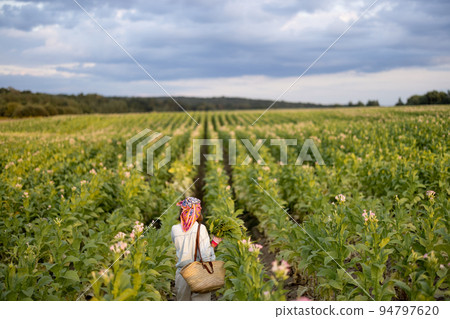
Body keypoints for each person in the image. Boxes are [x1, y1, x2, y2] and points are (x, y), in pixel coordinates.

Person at [171, 197, 222, 301]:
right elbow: (206, 257)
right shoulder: (200, 228)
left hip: (182, 273)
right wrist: (213, 244)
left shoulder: (174, 229)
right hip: (198, 273)